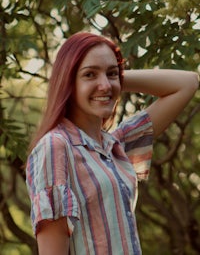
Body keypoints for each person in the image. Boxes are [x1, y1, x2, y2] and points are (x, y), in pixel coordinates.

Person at [26, 32, 199, 255]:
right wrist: (105, 79)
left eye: (111, 73)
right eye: (89, 74)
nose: (104, 85)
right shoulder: (56, 146)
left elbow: (188, 83)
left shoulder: (117, 145)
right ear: (68, 81)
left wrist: (114, 80)